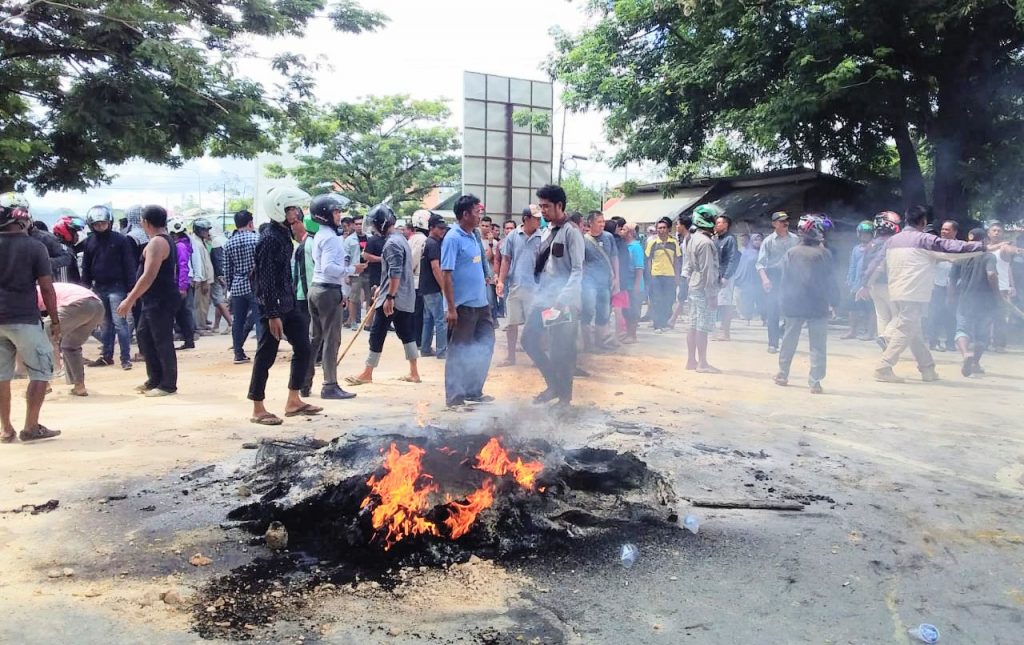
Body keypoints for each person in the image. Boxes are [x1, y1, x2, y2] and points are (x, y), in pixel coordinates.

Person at [874, 205, 985, 383]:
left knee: (914, 331)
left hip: (896, 291)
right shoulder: (924, 239)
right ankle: (884, 366)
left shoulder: (893, 240)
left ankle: (928, 369)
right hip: (914, 292)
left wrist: (864, 284)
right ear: (923, 221)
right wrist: (983, 246)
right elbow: (953, 248)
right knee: (905, 329)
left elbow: (876, 263)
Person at [246, 187, 321, 425]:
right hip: (273, 308)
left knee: (304, 348)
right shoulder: (270, 239)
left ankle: (293, 400)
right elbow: (265, 279)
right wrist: (272, 314)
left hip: (287, 304)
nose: (297, 214)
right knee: (266, 355)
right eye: (293, 209)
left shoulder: (282, 235)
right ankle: (258, 407)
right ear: (281, 210)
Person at [0, 202, 61, 443]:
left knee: (2, 376)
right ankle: (31, 426)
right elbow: (47, 288)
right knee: (40, 372)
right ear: (22, 219)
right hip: (24, 318)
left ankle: (6, 429)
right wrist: (55, 320)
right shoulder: (35, 247)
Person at [345, 203, 421, 387]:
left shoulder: (392, 243)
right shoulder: (400, 239)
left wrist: (390, 297)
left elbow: (395, 272)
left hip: (394, 298)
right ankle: (414, 372)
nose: (371, 228)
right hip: (402, 295)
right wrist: (384, 288)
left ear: (381, 224)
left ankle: (367, 372)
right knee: (406, 333)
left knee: (377, 333)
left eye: (373, 224)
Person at [522, 185, 584, 408]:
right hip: (544, 298)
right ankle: (553, 385)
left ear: (560, 205)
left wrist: (562, 300)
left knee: (561, 350)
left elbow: (578, 271)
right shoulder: (547, 231)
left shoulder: (572, 232)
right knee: (528, 340)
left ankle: (564, 399)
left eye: (546, 206)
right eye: (541, 206)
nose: (543, 211)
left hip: (563, 303)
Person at [116, 205, 180, 397]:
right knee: (144, 335)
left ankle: (168, 384)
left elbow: (148, 275)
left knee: (162, 340)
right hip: (153, 298)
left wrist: (129, 299)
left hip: (161, 298)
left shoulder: (157, 243)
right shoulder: (160, 241)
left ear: (145, 222)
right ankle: (154, 378)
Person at [440, 195, 496, 407]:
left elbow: (481, 260)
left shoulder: (473, 235)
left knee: (486, 345)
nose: (479, 215)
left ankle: (474, 390)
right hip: (462, 307)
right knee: (458, 351)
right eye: (476, 212)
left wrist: (487, 274)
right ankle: (454, 397)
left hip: (481, 305)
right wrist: (451, 308)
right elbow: (446, 275)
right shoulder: (453, 238)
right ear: (465, 214)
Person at [774, 215, 839, 393]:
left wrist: (782, 301)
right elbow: (830, 280)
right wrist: (835, 302)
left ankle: (782, 373)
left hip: (794, 303)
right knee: (818, 344)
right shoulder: (824, 254)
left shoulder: (791, 252)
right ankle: (815, 382)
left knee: (789, 340)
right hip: (818, 305)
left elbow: (784, 279)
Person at [305, 195, 358, 401]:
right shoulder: (331, 238)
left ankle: (304, 382)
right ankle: (330, 385)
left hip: (316, 288)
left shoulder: (319, 235)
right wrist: (352, 269)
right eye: (336, 212)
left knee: (315, 339)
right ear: (326, 214)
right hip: (328, 290)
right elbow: (329, 268)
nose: (339, 216)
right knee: (331, 339)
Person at [81, 205, 137, 370]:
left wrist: (131, 290)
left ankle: (125, 358)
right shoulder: (89, 242)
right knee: (105, 324)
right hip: (99, 288)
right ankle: (106, 356)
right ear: (92, 225)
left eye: (103, 223)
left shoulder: (121, 240)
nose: (100, 227)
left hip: (117, 287)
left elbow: (129, 265)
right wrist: (85, 288)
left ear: (109, 222)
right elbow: (86, 266)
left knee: (120, 324)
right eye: (97, 224)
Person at [950, 228, 1000, 377]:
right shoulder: (988, 256)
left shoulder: (962, 257)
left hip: (965, 299)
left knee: (962, 330)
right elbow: (991, 274)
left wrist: (950, 296)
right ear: (985, 240)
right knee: (982, 334)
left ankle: (966, 354)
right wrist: (997, 295)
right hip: (985, 301)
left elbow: (952, 279)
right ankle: (976, 363)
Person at [496, 206, 543, 365]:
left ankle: (536, 356)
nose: (539, 220)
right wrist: (501, 281)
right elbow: (506, 259)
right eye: (536, 218)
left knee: (535, 324)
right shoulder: (513, 236)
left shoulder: (542, 236)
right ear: (526, 218)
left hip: (535, 287)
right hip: (515, 285)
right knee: (512, 323)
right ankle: (511, 356)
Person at [39, 283, 104, 397]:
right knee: (70, 345)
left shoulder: (34, 292)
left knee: (38, 336)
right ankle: (79, 386)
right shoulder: (45, 287)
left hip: (77, 304)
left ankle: (42, 384)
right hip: (98, 307)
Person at [684, 205, 721, 373]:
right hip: (703, 288)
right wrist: (712, 294)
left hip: (693, 285)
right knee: (702, 326)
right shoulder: (706, 242)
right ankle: (702, 363)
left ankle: (691, 360)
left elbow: (688, 266)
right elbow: (708, 271)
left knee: (693, 324)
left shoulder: (692, 238)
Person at [756, 211, 800, 353]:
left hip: (791, 276)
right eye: (781, 221)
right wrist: (765, 280)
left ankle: (783, 333)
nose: (785, 223)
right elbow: (760, 264)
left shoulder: (795, 239)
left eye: (786, 221)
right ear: (774, 224)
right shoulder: (768, 241)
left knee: (792, 310)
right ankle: (773, 343)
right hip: (774, 276)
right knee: (773, 310)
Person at [858, 211, 901, 349]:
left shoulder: (871, 244)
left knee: (882, 315)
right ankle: (886, 337)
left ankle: (884, 344)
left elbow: (864, 266)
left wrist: (864, 285)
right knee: (899, 315)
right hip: (888, 284)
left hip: (872, 286)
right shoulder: (893, 243)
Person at [224, 210, 261, 364]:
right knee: (260, 318)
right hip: (255, 284)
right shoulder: (257, 239)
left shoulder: (229, 243)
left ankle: (238, 353)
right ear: (250, 223)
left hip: (238, 285)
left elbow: (227, 270)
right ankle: (261, 350)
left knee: (238, 320)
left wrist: (231, 287)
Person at [580, 210, 618, 352]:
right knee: (588, 310)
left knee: (604, 311)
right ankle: (587, 344)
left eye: (603, 222)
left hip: (605, 282)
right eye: (599, 222)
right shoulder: (583, 240)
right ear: (590, 223)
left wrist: (616, 278)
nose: (602, 224)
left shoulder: (609, 237)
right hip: (589, 282)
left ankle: (599, 341)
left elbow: (614, 258)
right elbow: (582, 262)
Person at [419, 213, 450, 359]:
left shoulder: (428, 242)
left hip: (426, 287)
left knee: (428, 319)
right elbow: (435, 268)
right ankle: (442, 350)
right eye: (440, 228)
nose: (443, 230)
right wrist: (444, 287)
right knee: (440, 320)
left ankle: (425, 348)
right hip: (433, 287)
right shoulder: (433, 244)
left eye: (444, 228)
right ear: (431, 228)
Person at [644, 217, 682, 332]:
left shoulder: (674, 243)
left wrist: (677, 276)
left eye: (664, 228)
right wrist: (650, 275)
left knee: (669, 300)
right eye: (659, 228)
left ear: (668, 229)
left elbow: (676, 260)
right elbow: (648, 260)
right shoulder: (652, 243)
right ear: (656, 230)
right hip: (656, 275)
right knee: (656, 300)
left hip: (670, 275)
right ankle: (657, 324)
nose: (662, 230)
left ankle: (665, 323)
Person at [927, 220, 959, 351]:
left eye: (948, 230)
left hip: (954, 285)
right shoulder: (935, 245)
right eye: (943, 229)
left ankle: (951, 342)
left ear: (955, 232)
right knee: (934, 314)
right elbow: (929, 261)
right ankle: (934, 342)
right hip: (937, 285)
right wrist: (945, 258)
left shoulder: (960, 246)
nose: (944, 232)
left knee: (951, 315)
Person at [985, 220, 1016, 353]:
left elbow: (1008, 268)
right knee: (985, 316)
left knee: (1000, 317)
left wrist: (1012, 286)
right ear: (989, 233)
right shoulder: (985, 248)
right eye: (994, 230)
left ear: (1002, 234)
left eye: (999, 231)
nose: (997, 233)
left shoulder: (1004, 249)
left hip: (1002, 287)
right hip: (985, 287)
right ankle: (984, 342)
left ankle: (999, 344)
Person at [842, 221, 875, 340]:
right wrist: (850, 280)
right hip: (856, 284)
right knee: (852, 308)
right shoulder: (856, 249)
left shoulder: (874, 247)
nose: (865, 236)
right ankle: (852, 331)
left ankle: (870, 333)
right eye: (862, 234)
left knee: (870, 309)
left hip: (869, 284)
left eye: (867, 234)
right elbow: (853, 266)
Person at [713, 214, 739, 341]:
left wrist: (726, 276)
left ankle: (725, 331)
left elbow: (732, 259)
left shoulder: (730, 239)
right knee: (716, 303)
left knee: (725, 304)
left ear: (726, 225)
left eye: (719, 223)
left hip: (726, 276)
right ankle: (716, 330)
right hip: (715, 275)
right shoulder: (716, 239)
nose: (716, 225)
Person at [619, 223, 645, 343]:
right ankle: (628, 333)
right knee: (626, 310)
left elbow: (639, 268)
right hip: (626, 284)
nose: (621, 231)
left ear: (629, 233)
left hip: (634, 284)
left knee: (634, 310)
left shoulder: (636, 247)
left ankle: (632, 335)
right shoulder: (625, 246)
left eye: (623, 229)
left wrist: (636, 286)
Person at [408, 210, 430, 348]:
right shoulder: (421, 239)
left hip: (416, 280)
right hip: (418, 280)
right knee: (419, 313)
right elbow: (413, 260)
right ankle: (418, 340)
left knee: (418, 312)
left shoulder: (414, 238)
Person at [190, 219, 216, 334]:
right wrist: (204, 281)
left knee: (204, 304)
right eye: (205, 230)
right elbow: (200, 264)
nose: (207, 232)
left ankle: (202, 324)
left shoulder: (202, 242)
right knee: (200, 305)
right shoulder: (197, 244)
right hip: (203, 280)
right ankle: (200, 326)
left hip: (206, 279)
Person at [667, 215, 692, 329]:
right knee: (682, 297)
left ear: (683, 226)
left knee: (682, 297)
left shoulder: (689, 239)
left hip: (688, 273)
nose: (676, 227)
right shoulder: (685, 239)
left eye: (677, 224)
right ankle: (673, 319)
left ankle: (673, 319)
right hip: (685, 272)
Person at [734, 233, 765, 323]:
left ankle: (764, 318)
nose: (758, 242)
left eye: (760, 240)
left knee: (762, 300)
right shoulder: (746, 253)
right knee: (747, 300)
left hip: (760, 280)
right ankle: (748, 318)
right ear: (751, 241)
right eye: (755, 240)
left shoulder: (764, 252)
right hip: (748, 281)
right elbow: (742, 267)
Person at [208, 230, 233, 334]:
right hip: (227, 273)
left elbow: (217, 260)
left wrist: (219, 275)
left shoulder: (215, 242)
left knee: (218, 300)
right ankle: (216, 326)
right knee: (220, 300)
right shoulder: (224, 240)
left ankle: (231, 324)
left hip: (218, 276)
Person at [51, 215, 87, 284]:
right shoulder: (63, 250)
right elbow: (63, 279)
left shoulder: (63, 247)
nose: (77, 235)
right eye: (74, 232)